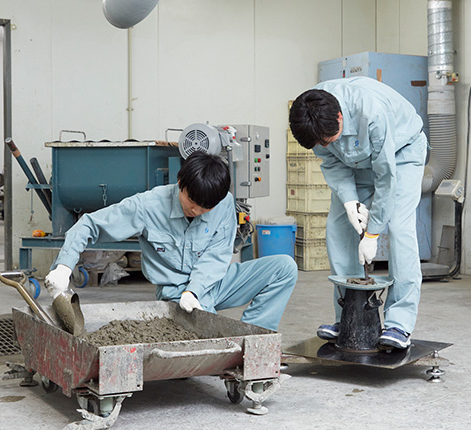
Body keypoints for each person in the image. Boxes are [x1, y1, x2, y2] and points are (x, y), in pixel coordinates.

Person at [44, 151, 298, 332]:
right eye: (192, 203)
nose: (197, 211)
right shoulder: (147, 206)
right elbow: (89, 224)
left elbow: (217, 257)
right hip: (175, 293)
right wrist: (64, 266)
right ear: (180, 184)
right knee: (203, 329)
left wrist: (195, 290)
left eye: (205, 208)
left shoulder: (224, 204)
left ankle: (255, 339)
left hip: (215, 281)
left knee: (284, 267)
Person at [288, 76, 428, 349]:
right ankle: (349, 316)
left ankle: (400, 323)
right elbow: (330, 160)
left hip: (401, 154)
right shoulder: (310, 118)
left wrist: (373, 232)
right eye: (321, 143)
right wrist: (349, 201)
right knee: (338, 230)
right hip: (354, 163)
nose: (325, 145)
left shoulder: (371, 112)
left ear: (340, 117)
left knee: (399, 229)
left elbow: (386, 178)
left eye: (329, 139)